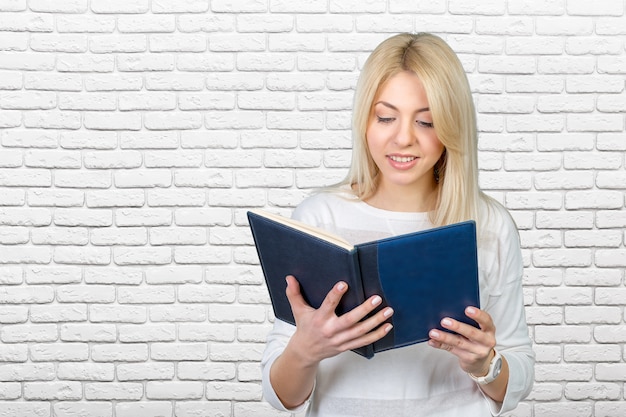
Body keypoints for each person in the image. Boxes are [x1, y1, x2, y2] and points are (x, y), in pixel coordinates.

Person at [260, 32, 535, 417]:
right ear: (364, 121)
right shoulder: (319, 217)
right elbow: (282, 397)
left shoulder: (489, 224)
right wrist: (305, 350)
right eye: (386, 117)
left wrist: (484, 364)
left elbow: (518, 370)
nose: (403, 138)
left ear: (451, 128)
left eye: (426, 121)